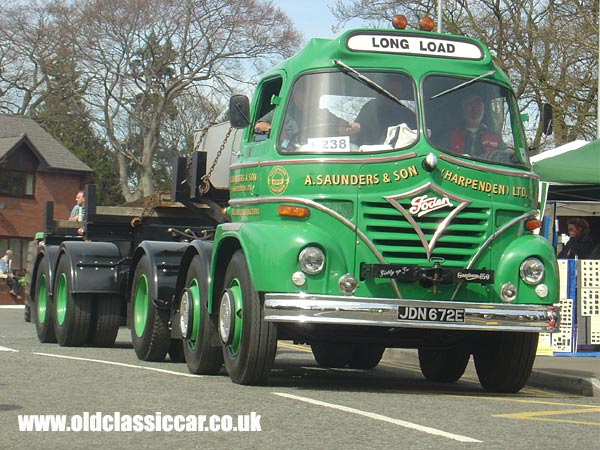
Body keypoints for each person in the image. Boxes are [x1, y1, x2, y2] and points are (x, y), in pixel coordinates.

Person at [254, 81, 360, 149]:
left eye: (312, 93)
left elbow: (342, 126)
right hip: (289, 155)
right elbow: (258, 127)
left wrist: (350, 127)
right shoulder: (285, 111)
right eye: (304, 92)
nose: (309, 96)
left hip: (319, 156)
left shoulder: (323, 113)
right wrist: (277, 131)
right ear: (294, 94)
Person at [447, 94, 513, 161]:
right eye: (470, 103)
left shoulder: (494, 136)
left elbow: (505, 154)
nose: (475, 108)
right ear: (463, 108)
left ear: (483, 108)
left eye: (478, 103)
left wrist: (509, 152)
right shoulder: (450, 135)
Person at [353, 78, 416, 147]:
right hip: (368, 151)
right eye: (387, 92)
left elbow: (414, 137)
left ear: (402, 94)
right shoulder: (371, 108)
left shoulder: (408, 114)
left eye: (395, 91)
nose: (390, 95)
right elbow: (357, 130)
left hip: (399, 152)